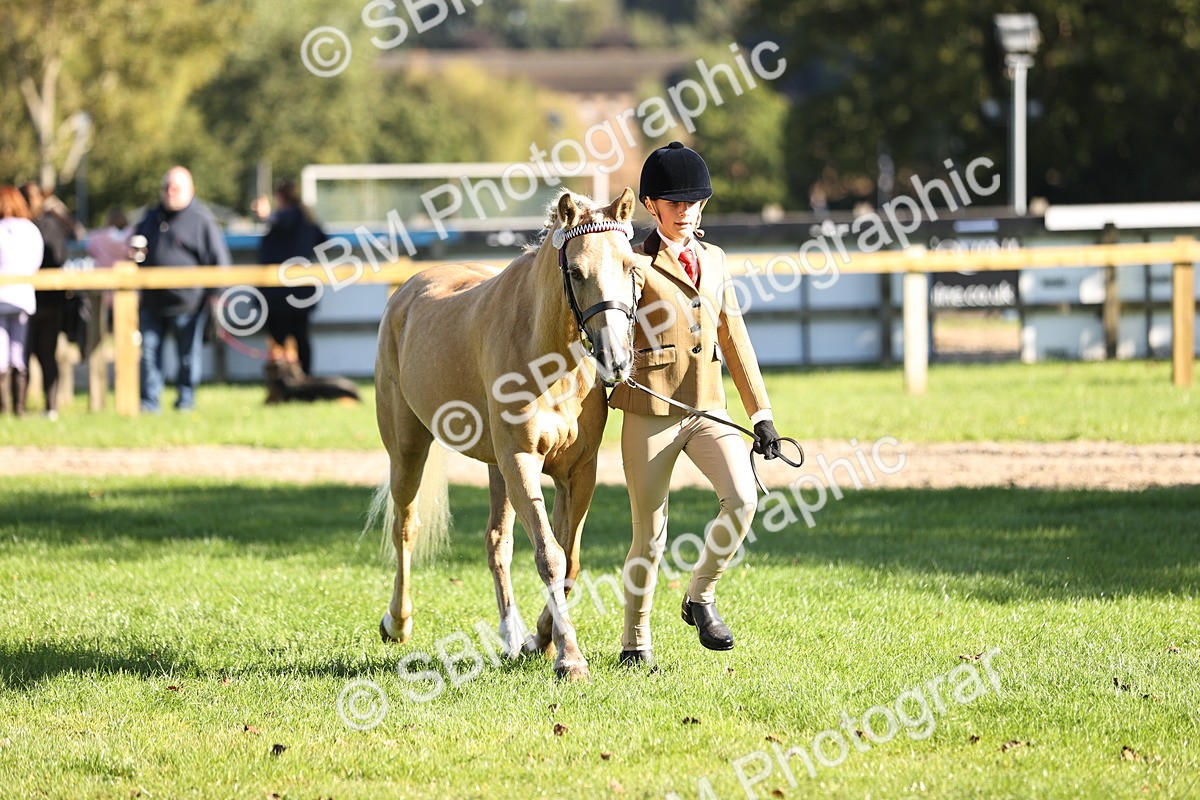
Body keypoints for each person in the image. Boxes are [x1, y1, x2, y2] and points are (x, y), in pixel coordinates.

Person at [608, 141, 783, 668]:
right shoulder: (633, 263)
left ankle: (699, 597)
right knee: (651, 535)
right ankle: (634, 645)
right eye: (673, 201)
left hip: (708, 408)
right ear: (650, 205)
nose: (685, 210)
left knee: (744, 498)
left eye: (693, 201)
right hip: (649, 412)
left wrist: (762, 414)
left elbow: (735, 338)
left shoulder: (716, 260)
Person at [133, 166, 230, 412]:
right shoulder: (151, 217)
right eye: (166, 187)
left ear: (190, 190)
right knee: (149, 356)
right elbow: (136, 251)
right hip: (153, 302)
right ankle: (149, 403)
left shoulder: (201, 220)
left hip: (189, 303)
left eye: (175, 188)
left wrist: (216, 297)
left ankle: (185, 402)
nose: (169, 192)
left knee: (188, 358)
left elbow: (219, 260)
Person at [256, 179, 327, 375]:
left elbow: (280, 221)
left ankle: (285, 379)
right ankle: (304, 376)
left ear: (280, 197)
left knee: (279, 340)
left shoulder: (287, 215)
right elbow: (323, 239)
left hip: (278, 293)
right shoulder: (307, 218)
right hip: (301, 290)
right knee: (301, 336)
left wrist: (267, 215)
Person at [19, 183, 73, 420]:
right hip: (49, 300)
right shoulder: (51, 225)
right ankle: (50, 408)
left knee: (23, 355)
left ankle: (18, 407)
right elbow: (62, 257)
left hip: (31, 299)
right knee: (46, 355)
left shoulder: (21, 229)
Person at [0, 186, 45, 416]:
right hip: (22, 297)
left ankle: (4, 408)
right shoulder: (30, 230)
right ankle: (19, 408)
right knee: (18, 352)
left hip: (1, 297)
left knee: (1, 354)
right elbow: (36, 261)